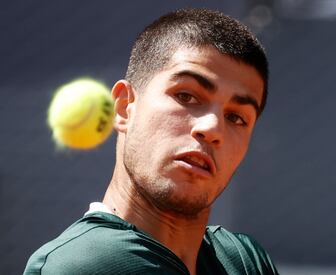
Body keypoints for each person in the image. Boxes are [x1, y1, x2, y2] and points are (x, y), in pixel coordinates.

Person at [24, 8, 278, 275]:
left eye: (236, 117)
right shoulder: (81, 265)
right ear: (124, 107)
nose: (212, 128)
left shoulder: (245, 261)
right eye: (186, 96)